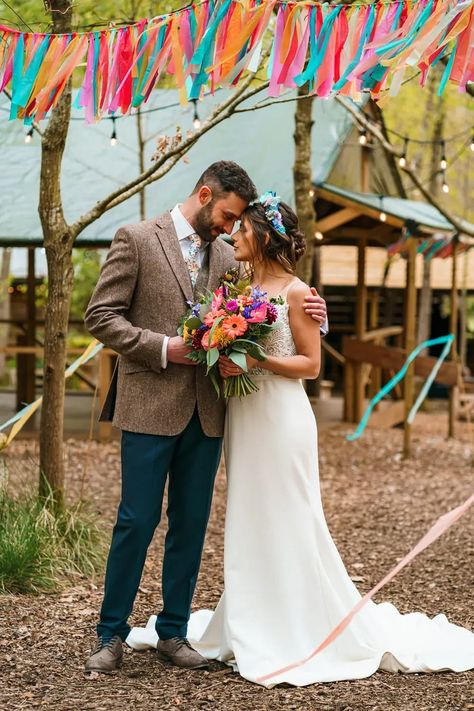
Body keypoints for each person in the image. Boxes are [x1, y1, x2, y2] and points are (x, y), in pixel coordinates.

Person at [127, 192, 474, 686]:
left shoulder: (296, 292)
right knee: (250, 514)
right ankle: (254, 615)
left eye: (242, 229)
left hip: (282, 418)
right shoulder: (237, 283)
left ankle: (296, 624)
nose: (232, 235)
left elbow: (310, 366)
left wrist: (255, 361)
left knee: (291, 513)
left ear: (263, 236)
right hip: (244, 417)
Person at [84, 165, 328, 675]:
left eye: (238, 222)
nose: (229, 227)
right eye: (227, 216)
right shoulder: (136, 239)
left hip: (211, 412)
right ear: (204, 195)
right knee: (137, 520)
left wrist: (318, 312)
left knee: (191, 525)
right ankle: (111, 634)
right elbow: (101, 316)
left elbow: (272, 301)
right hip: (149, 404)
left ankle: (173, 632)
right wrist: (164, 348)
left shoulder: (229, 258)